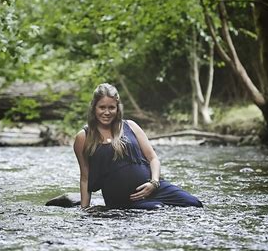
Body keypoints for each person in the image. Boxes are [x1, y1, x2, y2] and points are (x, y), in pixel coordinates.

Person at [74, 83, 203, 210]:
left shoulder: (131, 126)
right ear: (94, 108)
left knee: (194, 203)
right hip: (124, 199)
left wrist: (154, 182)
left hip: (153, 188)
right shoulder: (84, 137)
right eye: (102, 107)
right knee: (156, 209)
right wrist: (84, 209)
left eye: (111, 107)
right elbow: (85, 178)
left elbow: (153, 158)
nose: (107, 112)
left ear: (118, 108)